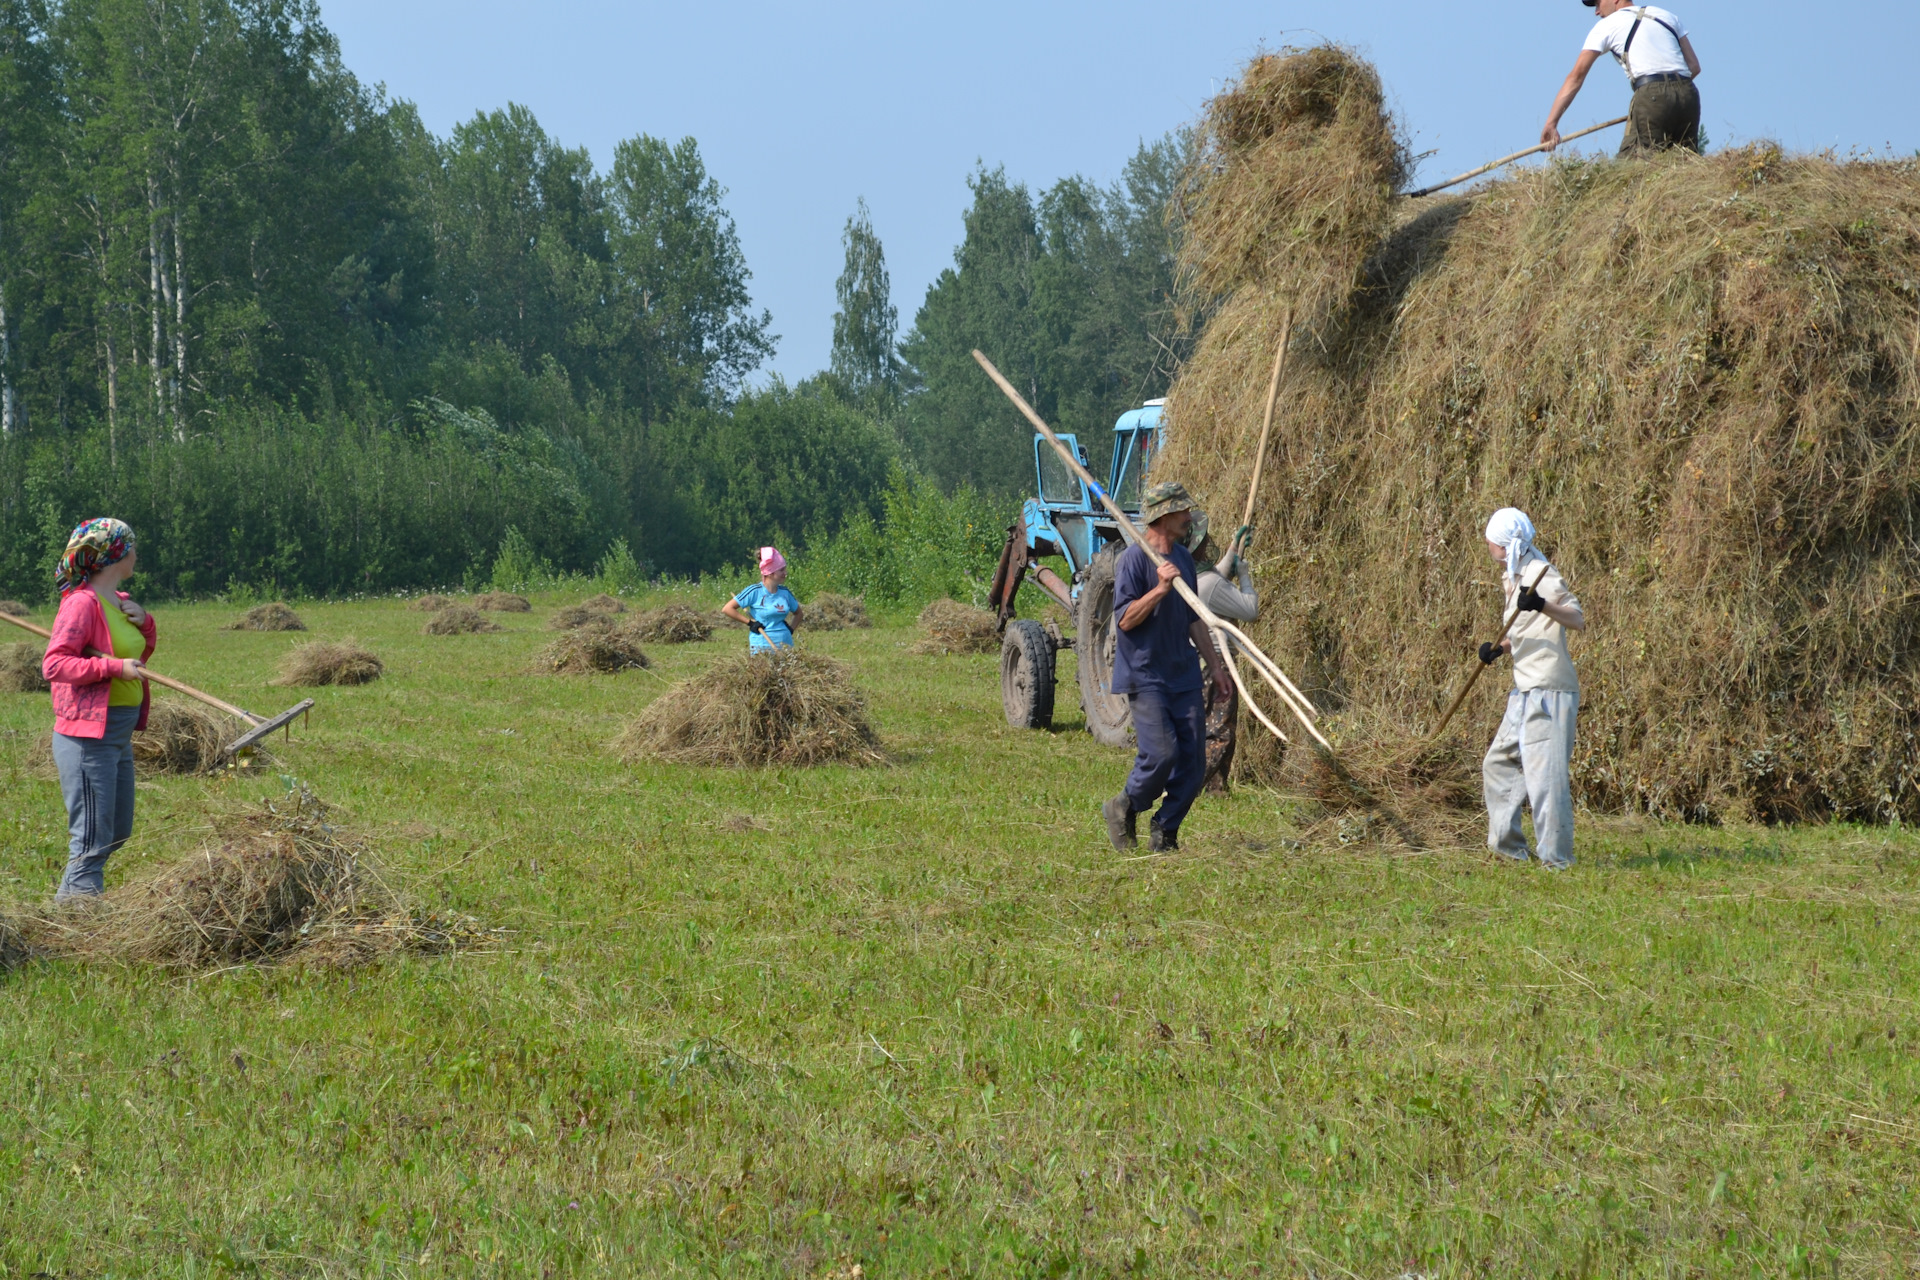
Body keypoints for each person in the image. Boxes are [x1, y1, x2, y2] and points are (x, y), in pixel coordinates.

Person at [1101, 483, 1232, 854]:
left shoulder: (1185, 560)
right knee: (1160, 754)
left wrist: (1217, 668)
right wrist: (1159, 590)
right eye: (1183, 512)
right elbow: (1125, 620)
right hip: (1146, 674)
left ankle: (1166, 830)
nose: (1189, 518)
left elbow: (1194, 620)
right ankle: (1123, 806)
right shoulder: (1133, 560)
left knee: (1193, 762)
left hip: (1183, 673)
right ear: (1163, 516)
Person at [41, 518, 155, 899]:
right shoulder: (81, 605)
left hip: (117, 734)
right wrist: (111, 667)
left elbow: (135, 656)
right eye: (132, 546)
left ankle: (70, 909)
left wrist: (147, 625)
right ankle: (79, 924)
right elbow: (54, 664)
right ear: (115, 554)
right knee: (91, 837)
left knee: (115, 831)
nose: (137, 553)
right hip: (88, 736)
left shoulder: (119, 603)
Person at [1476, 508, 1586, 871]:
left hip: (1550, 690)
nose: (1486, 543)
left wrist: (1541, 603)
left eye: (1490, 538)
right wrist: (1500, 648)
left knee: (1545, 781)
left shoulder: (1541, 573)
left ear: (1504, 543)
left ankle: (1557, 861)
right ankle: (1508, 849)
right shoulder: (1514, 574)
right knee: (1498, 764)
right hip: (1524, 686)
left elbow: (1576, 618)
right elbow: (1523, 629)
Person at [1542, 0, 1702, 157]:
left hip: (1651, 93)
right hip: (1688, 93)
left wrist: (1551, 123)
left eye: (1598, 3)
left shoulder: (1606, 26)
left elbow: (1576, 77)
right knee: (1684, 162)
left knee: (1634, 165)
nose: (1597, 11)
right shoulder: (1666, 15)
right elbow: (1694, 67)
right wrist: (1670, 95)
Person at [1191, 515, 1259, 794]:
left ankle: (1216, 788)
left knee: (1209, 725)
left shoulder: (1194, 578)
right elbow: (1250, 610)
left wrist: (1234, 548)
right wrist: (1243, 574)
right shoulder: (1210, 584)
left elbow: (1216, 574)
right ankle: (1192, 786)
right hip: (1217, 663)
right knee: (1220, 729)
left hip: (1199, 664)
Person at [723, 546, 803, 652]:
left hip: (785, 647)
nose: (785, 573)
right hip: (761, 648)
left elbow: (799, 614)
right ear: (770, 572)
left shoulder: (785, 593)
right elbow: (727, 609)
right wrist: (750, 623)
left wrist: (790, 630)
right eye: (781, 570)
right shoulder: (754, 591)